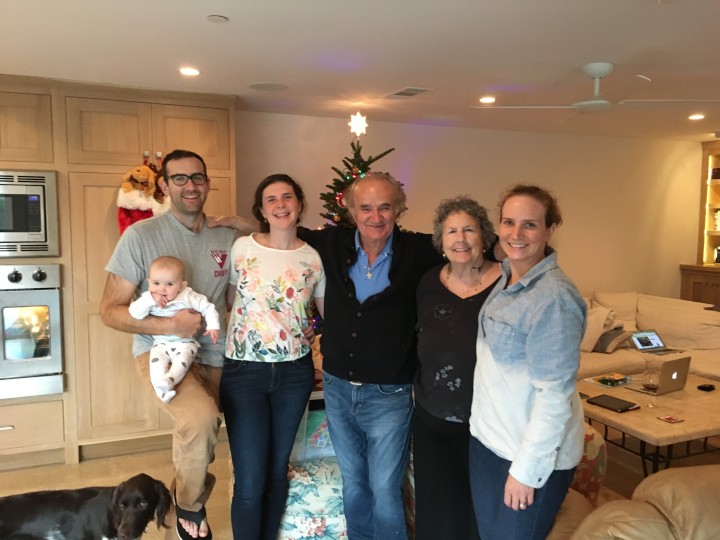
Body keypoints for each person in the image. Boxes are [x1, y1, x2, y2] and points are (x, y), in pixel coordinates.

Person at [101, 149, 248, 540]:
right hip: (161, 353)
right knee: (199, 420)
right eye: (179, 178)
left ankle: (174, 521)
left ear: (208, 183)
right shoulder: (140, 236)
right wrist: (169, 324)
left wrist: (241, 222)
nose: (190, 186)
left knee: (200, 444)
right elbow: (110, 311)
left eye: (197, 177)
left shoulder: (227, 236)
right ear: (164, 186)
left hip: (216, 353)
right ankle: (189, 508)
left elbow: (276, 237)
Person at [468, 184, 586, 540]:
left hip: (526, 456)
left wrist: (525, 472)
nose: (516, 234)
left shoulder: (555, 298)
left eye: (529, 225)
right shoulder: (506, 276)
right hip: (490, 442)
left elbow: (554, 397)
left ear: (550, 230)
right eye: (509, 222)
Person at [220, 174, 326, 540]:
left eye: (287, 197)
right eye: (271, 199)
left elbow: (324, 312)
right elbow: (229, 300)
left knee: (277, 472)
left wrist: (313, 326)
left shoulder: (313, 258)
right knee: (250, 480)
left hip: (294, 375)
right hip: (244, 374)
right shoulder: (242, 248)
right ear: (262, 210)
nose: (281, 205)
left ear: (299, 204)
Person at [412, 196, 501, 540]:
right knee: (437, 514)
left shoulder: (507, 282)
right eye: (451, 231)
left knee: (481, 514)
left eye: (469, 230)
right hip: (432, 420)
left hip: (488, 425)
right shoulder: (428, 282)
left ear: (485, 236)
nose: (460, 239)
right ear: (441, 240)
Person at [129, 255, 220, 403]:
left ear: (181, 286)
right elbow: (135, 313)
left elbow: (207, 307)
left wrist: (213, 326)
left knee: (182, 362)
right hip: (160, 344)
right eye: (156, 283)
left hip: (185, 343)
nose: (161, 289)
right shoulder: (148, 299)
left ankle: (169, 381)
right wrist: (150, 300)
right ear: (149, 282)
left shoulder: (188, 296)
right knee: (156, 367)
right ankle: (162, 391)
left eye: (169, 284)